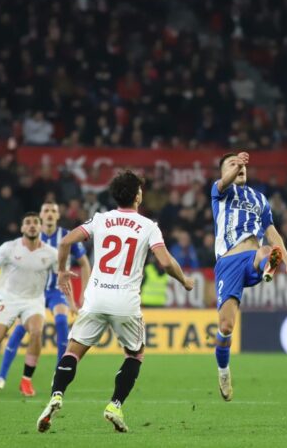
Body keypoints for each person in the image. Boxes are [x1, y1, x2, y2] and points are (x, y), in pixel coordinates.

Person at [36, 170, 194, 433]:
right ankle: (115, 405)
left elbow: (65, 242)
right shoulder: (148, 226)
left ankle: (56, 395)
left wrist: (62, 270)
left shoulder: (101, 219)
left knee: (73, 352)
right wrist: (184, 280)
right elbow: (166, 262)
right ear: (137, 196)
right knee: (135, 354)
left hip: (96, 298)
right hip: (125, 302)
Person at [210, 152, 287, 401]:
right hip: (228, 262)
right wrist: (237, 163)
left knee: (267, 249)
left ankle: (268, 268)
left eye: (241, 165)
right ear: (224, 172)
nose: (239, 167)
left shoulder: (259, 198)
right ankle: (223, 372)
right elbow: (224, 181)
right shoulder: (219, 191)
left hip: (253, 257)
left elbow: (272, 232)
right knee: (226, 327)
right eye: (232, 165)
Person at [0, 201, 92, 391]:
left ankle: (58, 374)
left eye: (53, 211)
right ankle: (1, 376)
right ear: (41, 215)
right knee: (20, 329)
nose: (50, 214)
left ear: (58, 215)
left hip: (56, 291)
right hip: (33, 292)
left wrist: (82, 295)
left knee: (61, 321)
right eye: (46, 211)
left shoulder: (67, 236)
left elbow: (85, 264)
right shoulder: (31, 239)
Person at [0, 212, 58, 398]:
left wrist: (65, 280)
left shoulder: (51, 253)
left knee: (36, 332)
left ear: (41, 227)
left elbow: (61, 272)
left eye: (35, 222)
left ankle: (26, 380)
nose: (32, 225)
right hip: (8, 298)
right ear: (22, 228)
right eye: (28, 222)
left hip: (33, 300)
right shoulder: (9, 248)